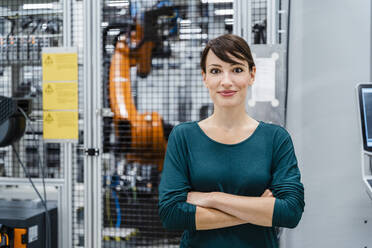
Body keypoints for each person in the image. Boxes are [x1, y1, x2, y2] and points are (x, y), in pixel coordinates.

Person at [158, 33, 305, 247]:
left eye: (237, 70)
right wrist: (260, 209)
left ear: (251, 75)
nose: (226, 82)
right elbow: (171, 214)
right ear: (205, 77)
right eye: (216, 71)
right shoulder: (184, 137)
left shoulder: (275, 139)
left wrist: (213, 198)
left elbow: (291, 212)